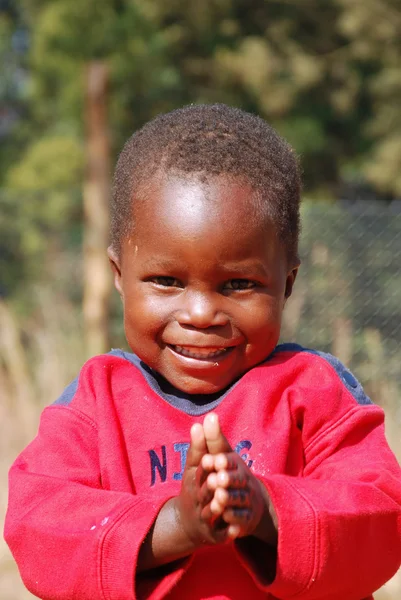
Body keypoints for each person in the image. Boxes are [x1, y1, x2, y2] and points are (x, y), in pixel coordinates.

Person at [4, 104, 401, 600]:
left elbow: (382, 518)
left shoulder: (314, 392)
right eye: (166, 281)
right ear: (118, 277)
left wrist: (265, 510)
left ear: (287, 283)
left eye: (239, 283)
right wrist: (175, 524)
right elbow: (36, 524)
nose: (199, 314)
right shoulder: (96, 400)